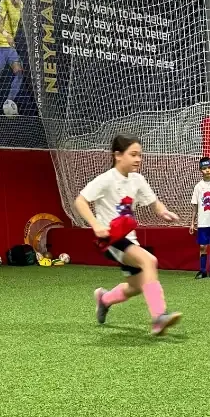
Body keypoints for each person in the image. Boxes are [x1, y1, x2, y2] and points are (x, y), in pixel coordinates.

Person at [74, 135, 182, 336]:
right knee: (149, 261)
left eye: (140, 155)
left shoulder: (137, 179)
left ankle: (104, 299)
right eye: (133, 154)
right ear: (117, 155)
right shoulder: (105, 179)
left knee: (137, 286)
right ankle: (159, 317)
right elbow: (80, 201)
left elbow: (153, 202)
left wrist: (163, 211)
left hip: (128, 239)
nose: (138, 159)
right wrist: (96, 225)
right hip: (110, 239)